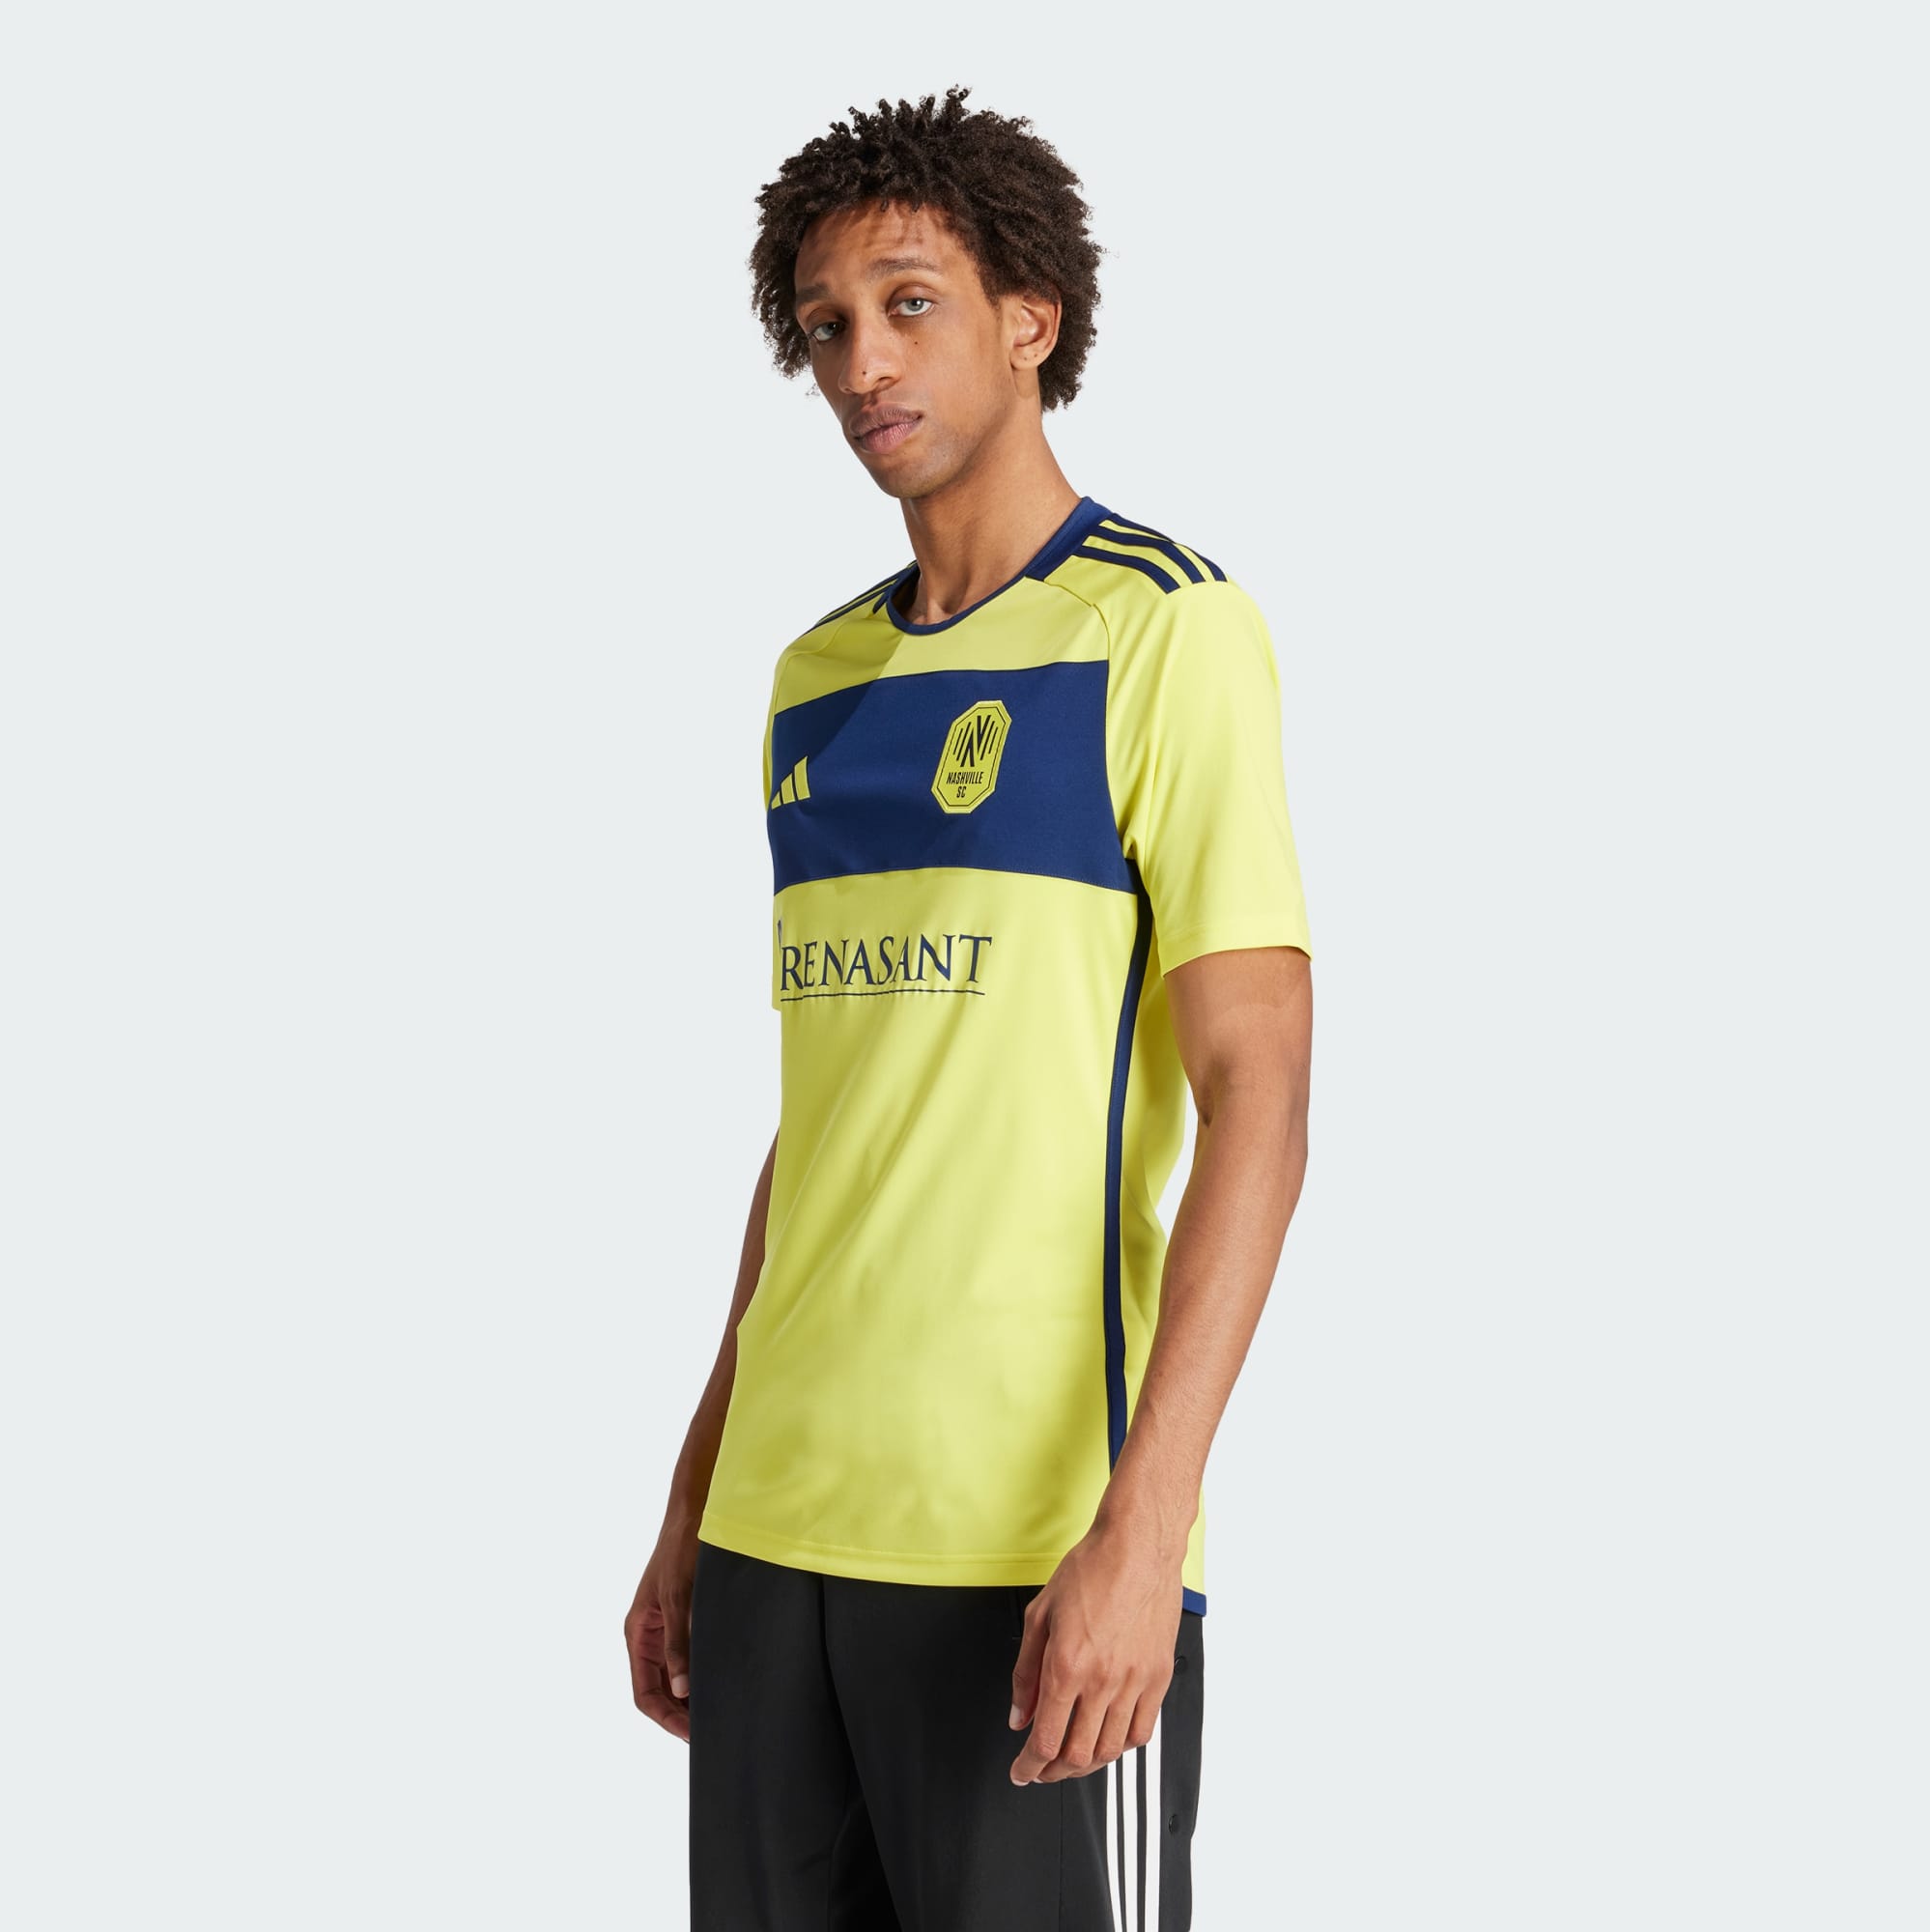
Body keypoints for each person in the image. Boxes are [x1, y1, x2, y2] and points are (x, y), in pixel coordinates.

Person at [625, 84, 1314, 1932]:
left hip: (1027, 1549)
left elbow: (1260, 1096)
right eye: (826, 325)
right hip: (775, 1539)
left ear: (1031, 318)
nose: (861, 363)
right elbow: (829, 1125)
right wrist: (695, 1494)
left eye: (909, 303)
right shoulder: (816, 680)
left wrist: (1144, 1530)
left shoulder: (1162, 630)